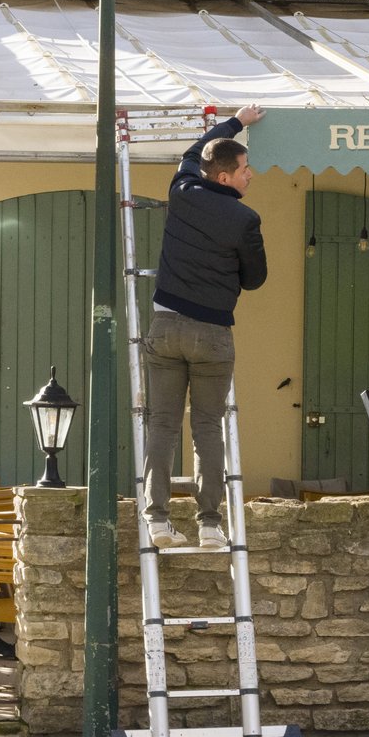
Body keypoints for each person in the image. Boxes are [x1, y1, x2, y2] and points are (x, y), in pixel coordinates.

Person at [142, 104, 268, 551]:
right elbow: (255, 279)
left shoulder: (182, 190)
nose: (250, 175)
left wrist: (236, 123)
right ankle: (210, 524)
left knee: (161, 425)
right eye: (244, 169)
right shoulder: (245, 220)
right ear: (224, 178)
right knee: (208, 427)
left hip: (166, 324)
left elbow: (194, 151)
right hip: (212, 333)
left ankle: (156, 520)